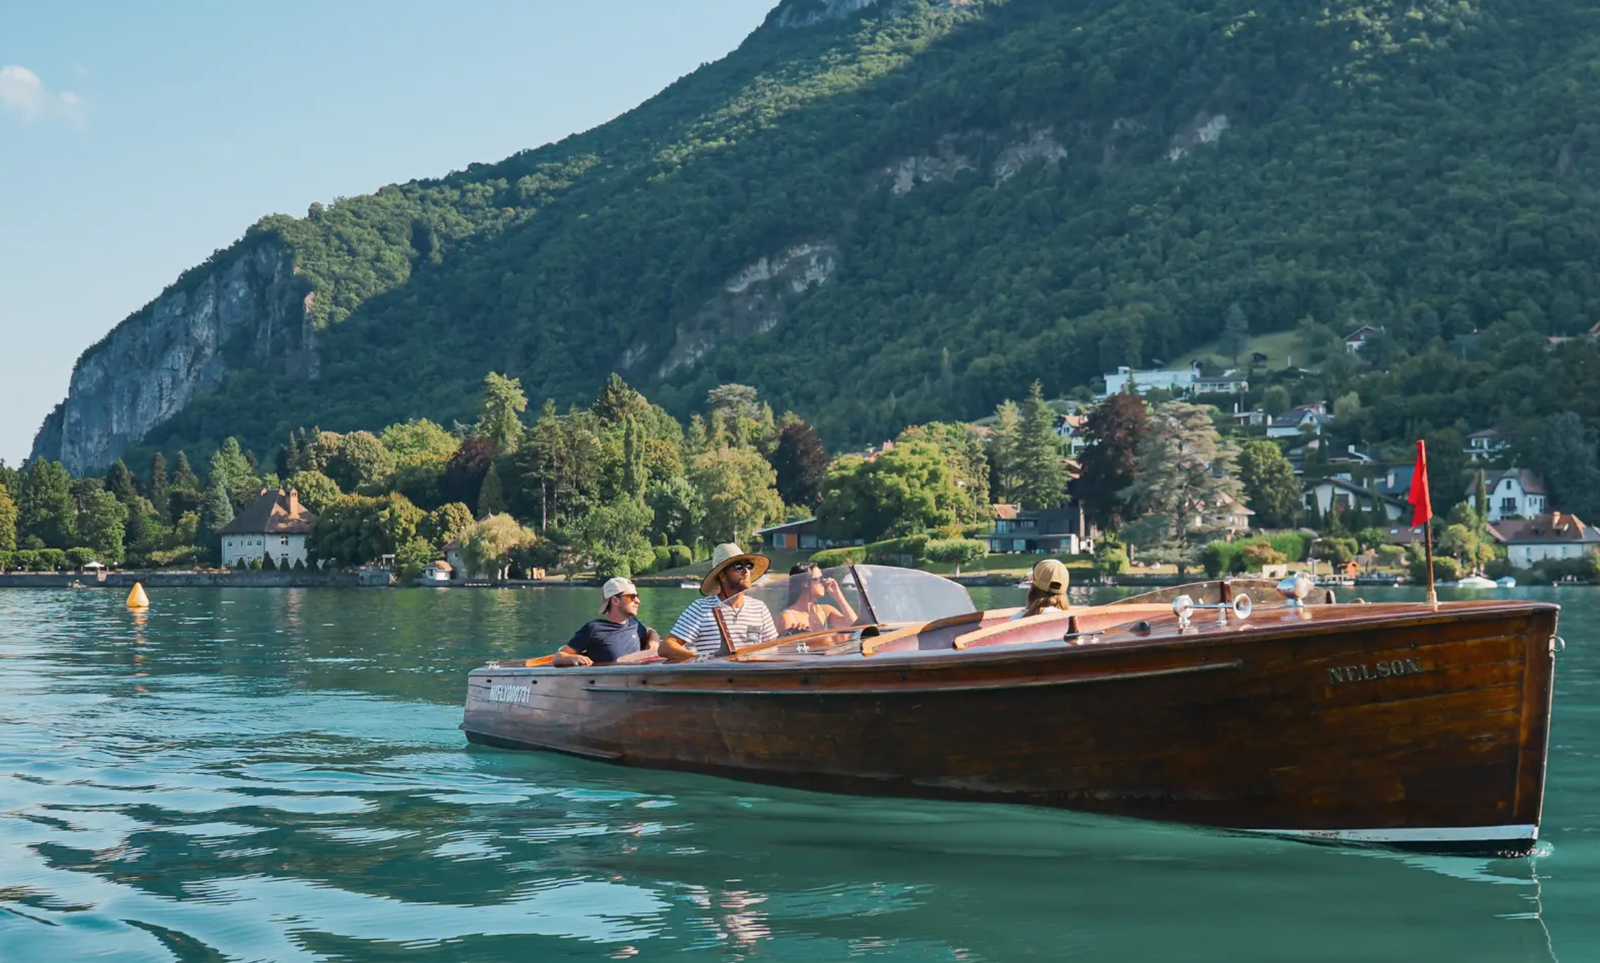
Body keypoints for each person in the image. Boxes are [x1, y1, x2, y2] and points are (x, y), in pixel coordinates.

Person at [658, 543, 777, 662]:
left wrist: (756, 657)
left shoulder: (760, 608)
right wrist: (701, 659)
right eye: (739, 567)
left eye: (749, 566)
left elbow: (773, 649)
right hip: (715, 677)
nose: (746, 571)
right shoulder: (701, 608)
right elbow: (666, 647)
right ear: (722, 575)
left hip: (750, 677)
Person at [553, 577, 660, 666]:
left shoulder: (634, 623)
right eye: (631, 597)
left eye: (637, 596)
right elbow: (558, 657)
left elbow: (649, 631)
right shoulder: (594, 629)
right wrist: (573, 658)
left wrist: (654, 638)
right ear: (615, 600)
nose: (638, 601)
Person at [780, 562, 859, 635]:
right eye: (819, 579)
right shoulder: (788, 617)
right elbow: (784, 648)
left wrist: (838, 596)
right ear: (805, 584)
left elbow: (856, 628)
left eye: (823, 578)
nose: (824, 581)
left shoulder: (826, 611)